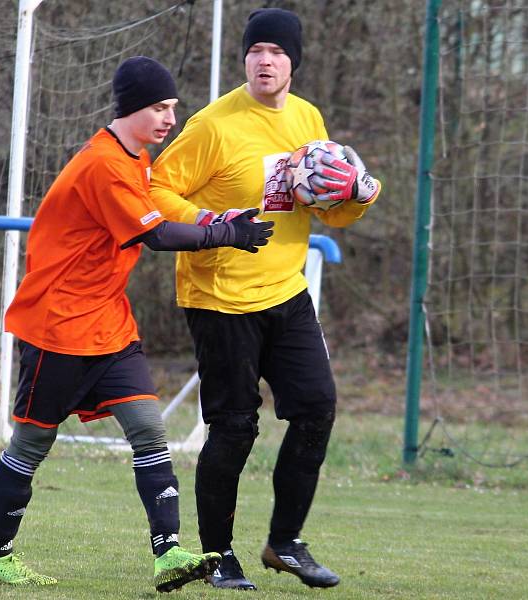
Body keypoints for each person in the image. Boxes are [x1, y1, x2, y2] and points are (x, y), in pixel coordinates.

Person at [0, 56, 274, 592]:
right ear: (132, 107)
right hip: (59, 323)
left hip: (109, 322)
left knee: (148, 430)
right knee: (31, 445)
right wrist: (225, 236)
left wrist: (217, 220)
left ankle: (169, 555)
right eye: (159, 108)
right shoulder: (104, 166)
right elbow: (155, 237)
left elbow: (162, 214)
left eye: (173, 108)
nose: (169, 119)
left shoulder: (133, 159)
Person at [149, 8, 381, 591]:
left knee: (316, 409)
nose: (265, 60)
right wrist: (209, 220)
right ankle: (217, 556)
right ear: (245, 59)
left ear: (293, 62)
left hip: (286, 290)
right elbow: (154, 189)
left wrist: (357, 195)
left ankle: (285, 543)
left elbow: (329, 207)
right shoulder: (214, 125)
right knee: (233, 428)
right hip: (219, 296)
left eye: (277, 52)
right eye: (256, 51)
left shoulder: (307, 119)